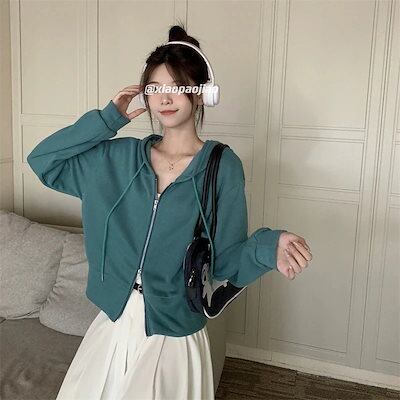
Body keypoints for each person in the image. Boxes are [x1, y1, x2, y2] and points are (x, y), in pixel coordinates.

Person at [27, 23, 312, 400]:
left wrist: (268, 247)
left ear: (202, 94)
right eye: (154, 88)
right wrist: (107, 121)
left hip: (174, 333)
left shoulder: (221, 167)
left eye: (177, 86)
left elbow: (226, 260)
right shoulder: (117, 159)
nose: (164, 97)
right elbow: (44, 161)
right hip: (113, 322)